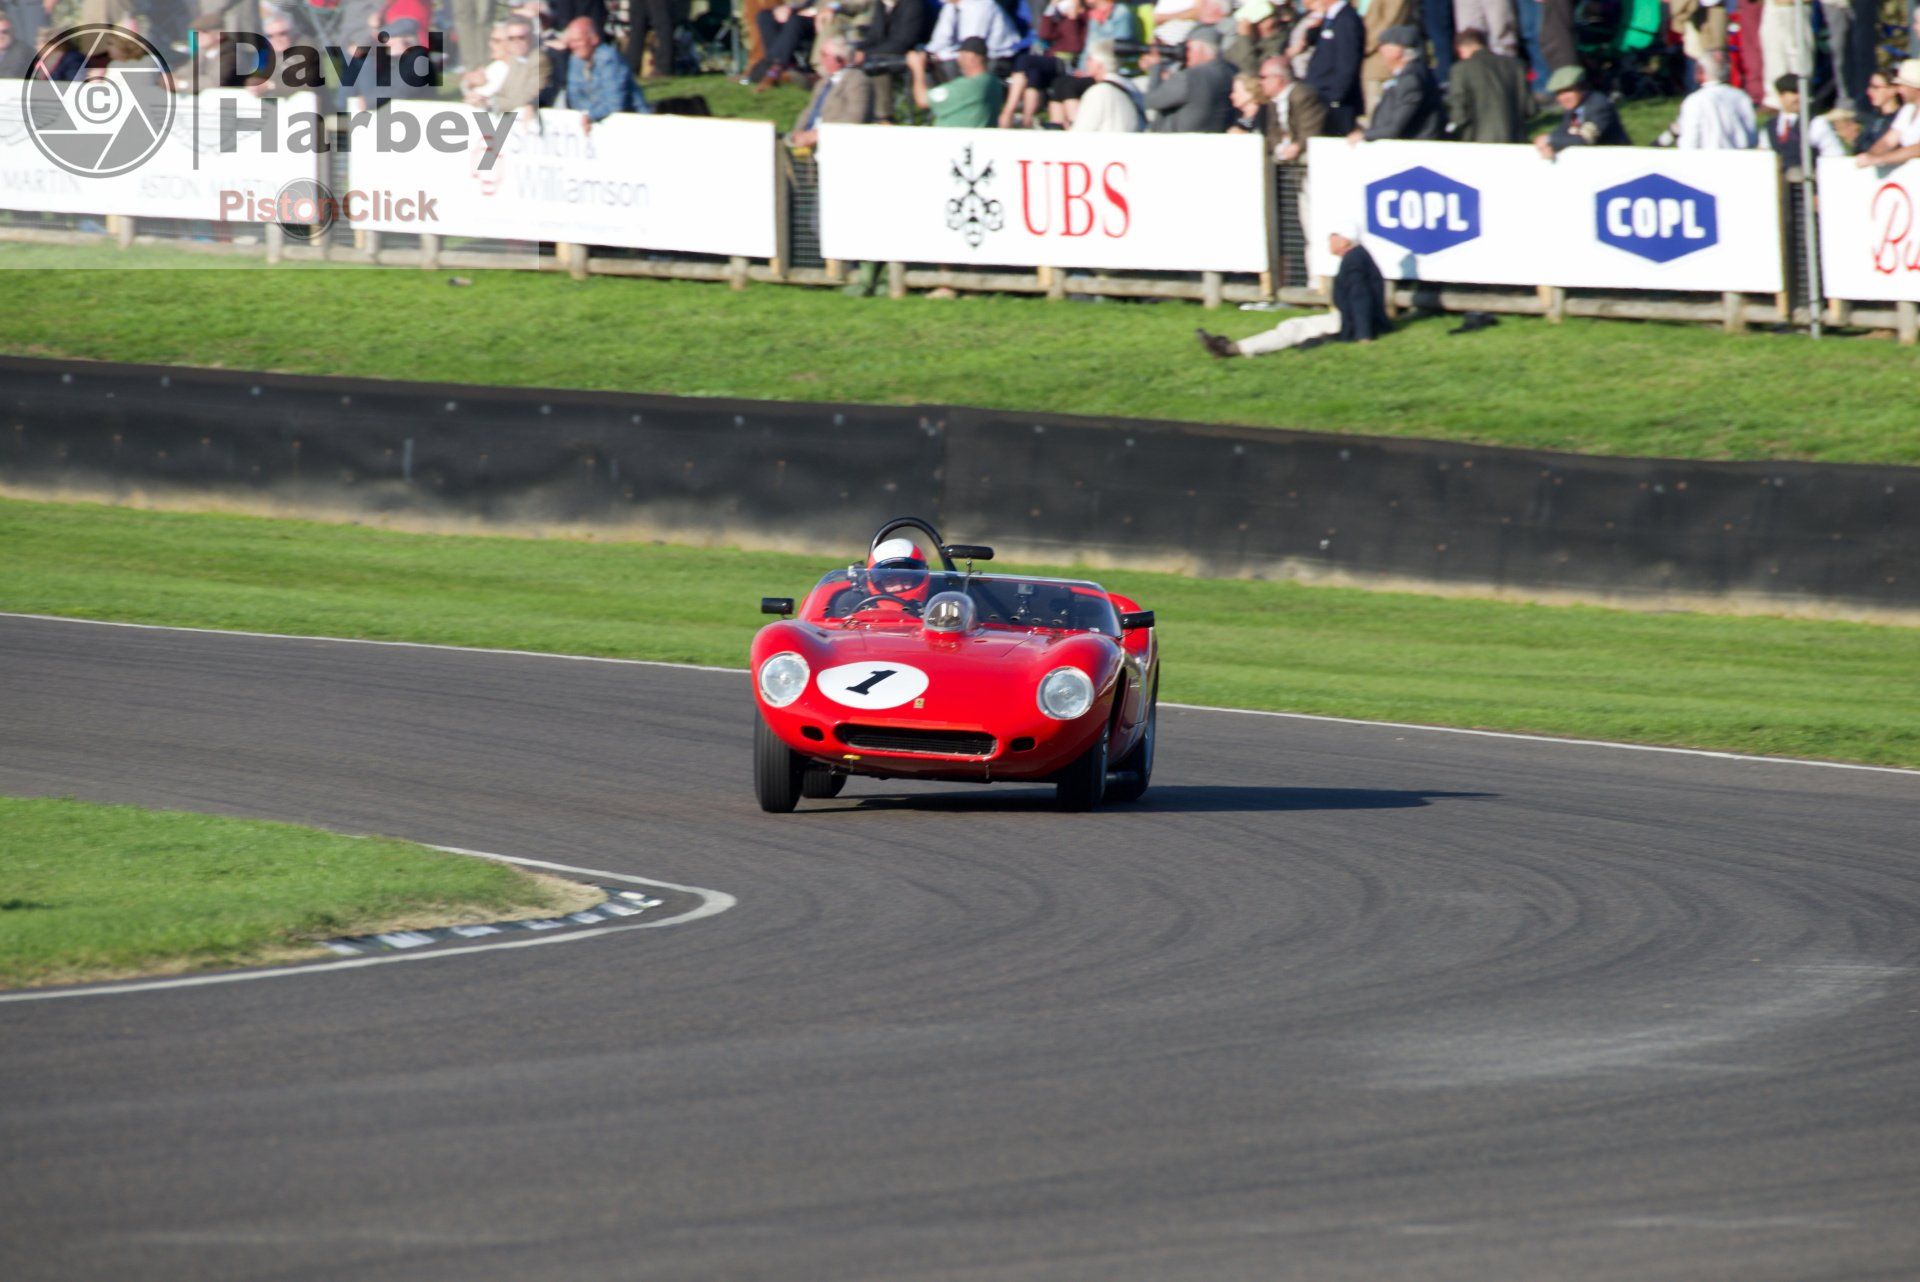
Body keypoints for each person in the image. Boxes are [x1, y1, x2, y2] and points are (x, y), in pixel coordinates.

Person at [1195, 222, 1389, 356]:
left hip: (1349, 323)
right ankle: (1236, 347)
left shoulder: (1354, 262)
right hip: (1352, 320)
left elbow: (1360, 297)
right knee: (1293, 325)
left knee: (1292, 328)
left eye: (1333, 236)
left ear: (1344, 241)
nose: (1329, 240)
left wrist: (1363, 335)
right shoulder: (1358, 256)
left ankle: (1234, 349)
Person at [1356, 24, 1441, 139]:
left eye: (1385, 45)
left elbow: (1395, 128)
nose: (1381, 50)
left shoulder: (1410, 79)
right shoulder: (1411, 73)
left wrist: (1363, 135)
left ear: (1398, 50)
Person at [1144, 26, 1236, 132]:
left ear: (1202, 48)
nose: (1185, 54)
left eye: (1188, 49)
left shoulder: (1188, 78)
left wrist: (1155, 68)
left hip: (1181, 143)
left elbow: (1151, 101)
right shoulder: (1232, 71)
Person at [1445, 25, 1529, 141]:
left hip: (1477, 142)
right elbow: (1529, 108)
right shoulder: (1516, 66)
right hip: (1515, 140)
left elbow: (1459, 114)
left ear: (1462, 48)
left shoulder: (1460, 70)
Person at [789, 34, 874, 143]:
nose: (820, 59)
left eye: (824, 55)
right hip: (806, 142)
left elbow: (855, 119)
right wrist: (796, 133)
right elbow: (809, 111)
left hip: (834, 142)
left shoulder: (857, 81)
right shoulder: (823, 83)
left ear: (840, 60)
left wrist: (817, 136)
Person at [563, 15, 648, 123]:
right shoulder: (575, 59)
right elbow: (574, 96)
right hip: (596, 121)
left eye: (578, 41)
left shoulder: (609, 59)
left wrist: (591, 115)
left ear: (594, 40)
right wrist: (586, 115)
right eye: (571, 41)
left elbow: (615, 103)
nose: (574, 46)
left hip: (630, 121)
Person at [857, 0, 929, 121]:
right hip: (881, 52)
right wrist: (856, 51)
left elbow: (903, 42)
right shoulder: (882, 4)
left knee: (876, 68)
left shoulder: (913, 5)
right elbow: (874, 36)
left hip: (907, 54)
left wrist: (866, 54)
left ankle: (884, 117)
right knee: (853, 63)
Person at [907, 35, 1005, 124]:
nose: (958, 60)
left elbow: (923, 99)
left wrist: (918, 68)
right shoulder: (993, 82)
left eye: (962, 56)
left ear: (971, 57)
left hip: (956, 142)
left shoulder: (971, 86)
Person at [1667, 51, 1755, 149]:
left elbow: (1689, 143)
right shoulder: (1741, 97)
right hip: (1741, 159)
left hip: (1706, 161)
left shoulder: (1695, 101)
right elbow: (1751, 138)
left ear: (1700, 72)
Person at [1534, 63, 1628, 154]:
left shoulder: (1598, 106)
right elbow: (1563, 130)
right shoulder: (1573, 108)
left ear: (1582, 89)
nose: (1563, 98)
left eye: (1568, 91)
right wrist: (1548, 144)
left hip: (1615, 157)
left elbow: (1584, 140)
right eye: (1559, 93)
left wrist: (1550, 140)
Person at [1302, 0, 1364, 133]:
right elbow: (1311, 39)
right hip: (1320, 95)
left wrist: (1336, 97)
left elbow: (1347, 62)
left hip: (1335, 100)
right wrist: (1317, 20)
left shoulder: (1346, 19)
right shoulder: (1330, 16)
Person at [1766, 73, 1845, 169]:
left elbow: (1834, 155)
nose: (1798, 97)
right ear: (1781, 96)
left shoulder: (1816, 123)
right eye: (1794, 92)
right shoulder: (1770, 126)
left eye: (1802, 92)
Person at [1256, 53, 1327, 160]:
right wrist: (1279, 147)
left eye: (1263, 77)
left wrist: (1296, 147)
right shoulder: (1273, 102)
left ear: (1278, 79)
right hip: (1286, 152)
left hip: (1312, 154)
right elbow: (1273, 132)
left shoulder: (1303, 96)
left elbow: (1310, 132)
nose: (1260, 82)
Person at [1855, 59, 1920, 166]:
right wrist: (1870, 156)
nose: (1899, 90)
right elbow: (1888, 141)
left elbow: (1917, 148)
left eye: (1903, 86)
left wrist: (1880, 159)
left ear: (1915, 88)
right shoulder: (1908, 109)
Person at [1069, 38, 1144, 129]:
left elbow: (1081, 131)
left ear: (1100, 64)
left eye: (1090, 59)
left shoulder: (1099, 92)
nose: (1086, 62)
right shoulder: (1131, 86)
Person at [1359, 0, 1416, 118]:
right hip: (1364, 66)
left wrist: (1361, 45)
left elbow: (1389, 23)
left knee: (1380, 116)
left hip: (1382, 66)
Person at [926, 0, 1020, 65]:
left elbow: (973, 44)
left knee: (949, 63)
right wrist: (926, 54)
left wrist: (941, 56)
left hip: (996, 58)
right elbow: (941, 39)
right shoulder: (950, 7)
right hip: (964, 54)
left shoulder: (981, 5)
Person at [1758, 0, 1811, 110]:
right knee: (1774, 54)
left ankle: (1801, 97)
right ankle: (1775, 99)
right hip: (1773, 6)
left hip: (1797, 6)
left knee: (1799, 55)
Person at [748, 3, 817, 86]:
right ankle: (774, 64)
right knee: (764, 16)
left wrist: (814, 11)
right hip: (798, 11)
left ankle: (774, 68)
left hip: (817, 14)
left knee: (795, 21)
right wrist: (788, 8)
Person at [1860, 70, 1900, 149]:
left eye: (1876, 87)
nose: (1869, 92)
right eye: (1870, 87)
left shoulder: (1901, 118)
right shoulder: (1873, 117)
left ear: (1892, 90)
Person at [0, 13, 27, 79]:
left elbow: (9, 76)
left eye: (5, 32)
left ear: (13, 31)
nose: (1, 36)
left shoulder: (22, 52)